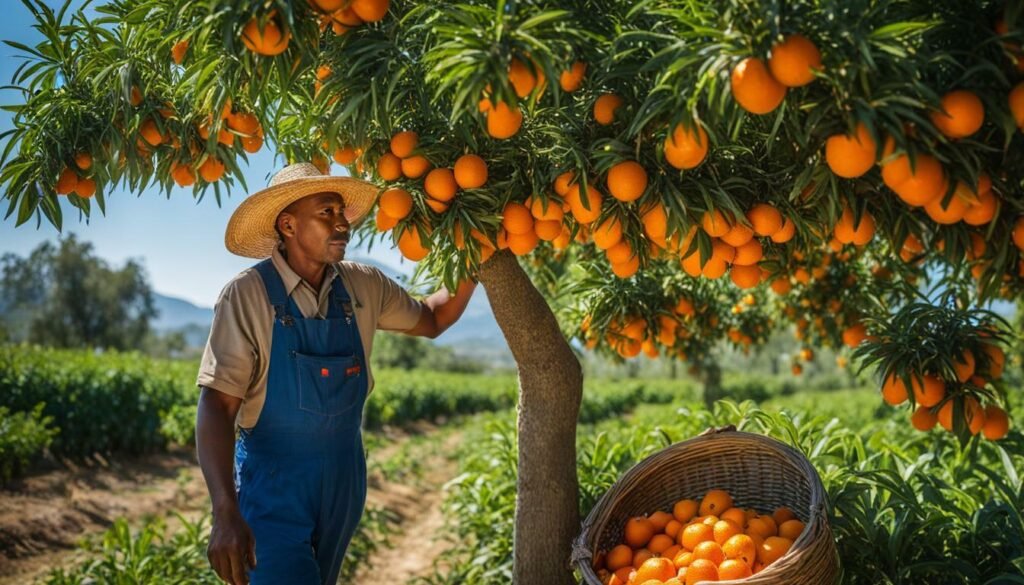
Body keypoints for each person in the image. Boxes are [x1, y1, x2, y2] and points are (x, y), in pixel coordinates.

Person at [194, 162, 476, 585]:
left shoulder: (363, 286)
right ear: (287, 224)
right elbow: (216, 404)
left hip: (344, 483)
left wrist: (474, 258)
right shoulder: (248, 295)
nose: (343, 224)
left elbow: (432, 319)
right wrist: (224, 510)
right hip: (274, 488)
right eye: (327, 212)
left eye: (342, 213)